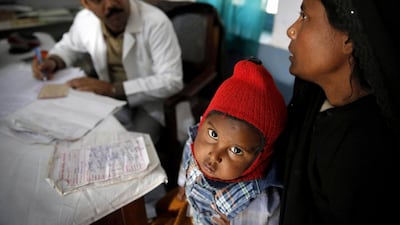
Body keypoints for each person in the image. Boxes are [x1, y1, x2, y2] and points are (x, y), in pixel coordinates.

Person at [278, 0, 400, 225]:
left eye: (305, 17)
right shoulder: (314, 102)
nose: (291, 30)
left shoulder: (365, 148)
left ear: (349, 39)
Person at [152, 57, 288, 225]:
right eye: (213, 134)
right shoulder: (194, 145)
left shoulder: (262, 202)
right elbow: (187, 162)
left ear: (259, 159)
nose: (214, 155)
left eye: (236, 150)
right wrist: (182, 185)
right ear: (202, 125)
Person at [31, 0, 183, 144]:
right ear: (86, 3)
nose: (110, 4)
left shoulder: (155, 21)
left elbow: (172, 80)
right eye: (98, 0)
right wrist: (53, 61)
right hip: (111, 99)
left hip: (150, 103)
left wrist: (113, 89)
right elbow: (68, 47)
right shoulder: (85, 20)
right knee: (83, 136)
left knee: (131, 146)